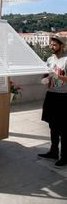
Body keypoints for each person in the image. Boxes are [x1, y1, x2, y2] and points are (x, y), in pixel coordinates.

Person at [38, 35, 67, 167]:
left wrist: (58, 76)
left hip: (63, 97)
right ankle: (53, 151)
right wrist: (45, 78)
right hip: (51, 95)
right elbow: (46, 73)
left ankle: (65, 157)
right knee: (52, 125)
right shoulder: (49, 59)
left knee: (63, 128)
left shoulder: (66, 60)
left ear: (62, 46)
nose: (52, 46)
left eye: (54, 45)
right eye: (51, 44)